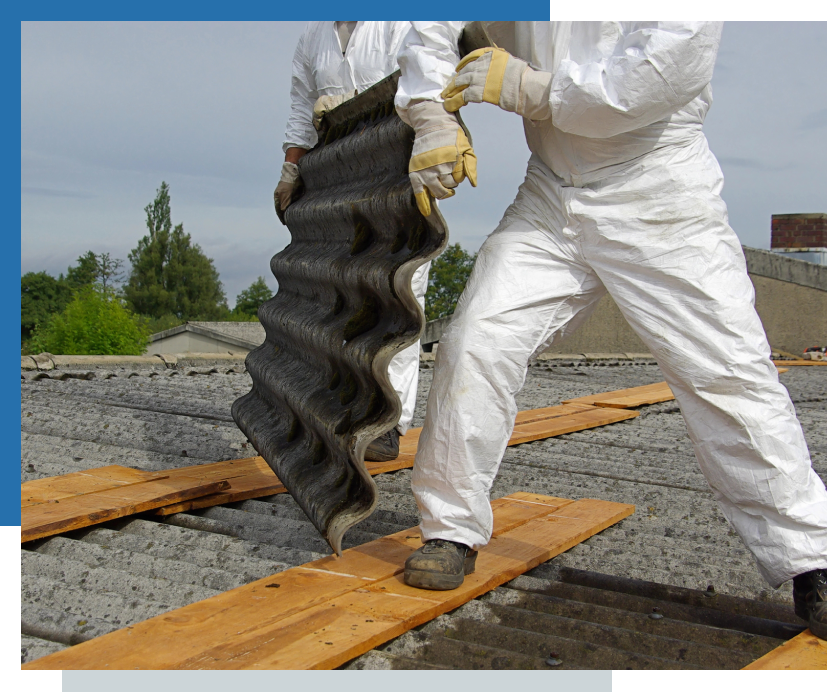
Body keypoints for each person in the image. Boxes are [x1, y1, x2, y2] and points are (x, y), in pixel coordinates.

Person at [394, 21, 827, 638]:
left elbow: (643, 84)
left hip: (657, 189)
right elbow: (433, 25)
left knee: (726, 372)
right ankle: (449, 530)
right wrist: (433, 116)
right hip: (549, 194)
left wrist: (525, 87)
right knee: (474, 344)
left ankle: (813, 556)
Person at [276, 21, 426, 461]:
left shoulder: (402, 22)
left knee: (399, 292)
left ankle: (389, 420)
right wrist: (291, 168)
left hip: (399, 168)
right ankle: (341, 407)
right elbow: (302, 107)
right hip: (340, 176)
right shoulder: (313, 37)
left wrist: (361, 106)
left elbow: (427, 84)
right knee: (341, 292)